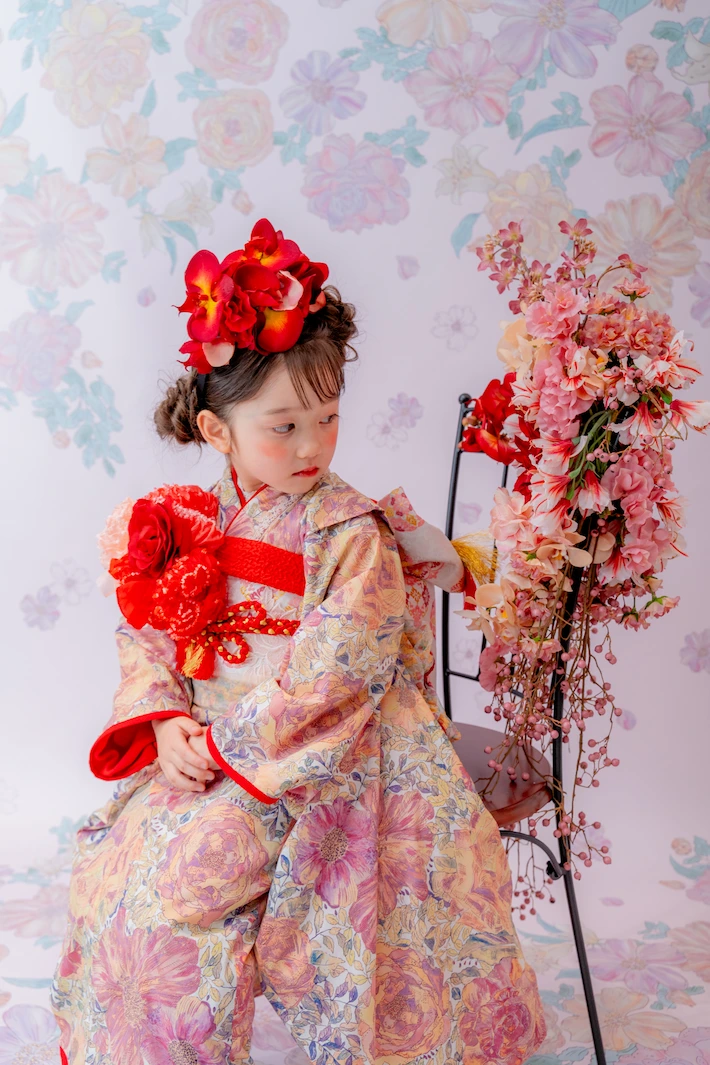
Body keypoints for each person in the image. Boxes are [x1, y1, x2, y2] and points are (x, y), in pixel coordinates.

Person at [50, 218, 546, 1065]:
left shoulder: (350, 531)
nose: (312, 444)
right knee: (119, 870)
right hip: (209, 746)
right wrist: (166, 721)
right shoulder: (187, 515)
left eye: (327, 417)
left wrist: (224, 744)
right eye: (283, 425)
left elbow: (336, 672)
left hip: (327, 751)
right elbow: (151, 629)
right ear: (218, 432)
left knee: (188, 886)